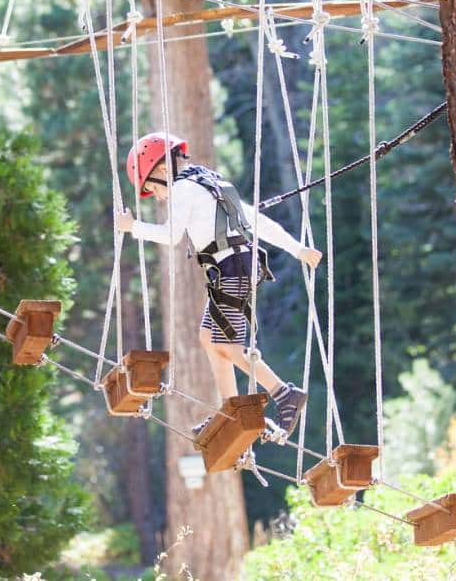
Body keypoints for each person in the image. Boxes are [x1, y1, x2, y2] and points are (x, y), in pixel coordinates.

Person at [115, 132, 322, 437]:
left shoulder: (184, 188)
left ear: (161, 171)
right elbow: (257, 221)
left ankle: (283, 394)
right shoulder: (212, 183)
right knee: (210, 339)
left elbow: (172, 235)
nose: (157, 197)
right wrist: (297, 248)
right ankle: (234, 409)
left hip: (231, 268)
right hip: (234, 267)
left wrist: (132, 227)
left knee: (227, 345)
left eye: (151, 189)